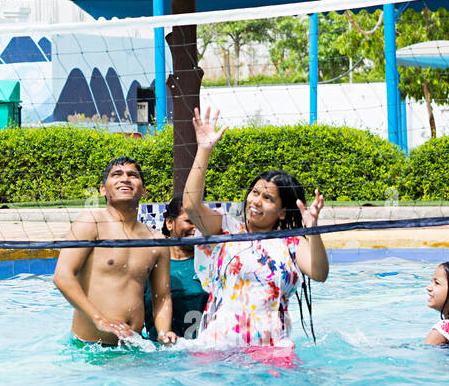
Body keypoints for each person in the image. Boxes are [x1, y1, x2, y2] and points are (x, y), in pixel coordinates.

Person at [183, 108, 329, 348]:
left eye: (268, 198)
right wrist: (204, 150)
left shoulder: (291, 242)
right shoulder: (226, 229)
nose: (256, 201)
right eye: (255, 193)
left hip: (273, 349)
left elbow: (319, 273)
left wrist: (312, 231)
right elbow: (190, 206)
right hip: (218, 347)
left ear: (283, 211)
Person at [52, 156, 175, 347]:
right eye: (117, 174)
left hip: (133, 347)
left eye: (132, 175)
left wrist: (163, 331)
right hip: (89, 348)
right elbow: (62, 276)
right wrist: (99, 319)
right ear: (103, 189)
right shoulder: (91, 223)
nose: (125, 178)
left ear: (143, 191)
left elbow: (162, 297)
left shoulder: (156, 241)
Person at [163, 198, 208, 340]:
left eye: (201, 222)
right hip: (156, 354)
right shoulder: (151, 263)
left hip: (200, 353)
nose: (197, 228)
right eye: (189, 221)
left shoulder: (210, 264)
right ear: (170, 223)